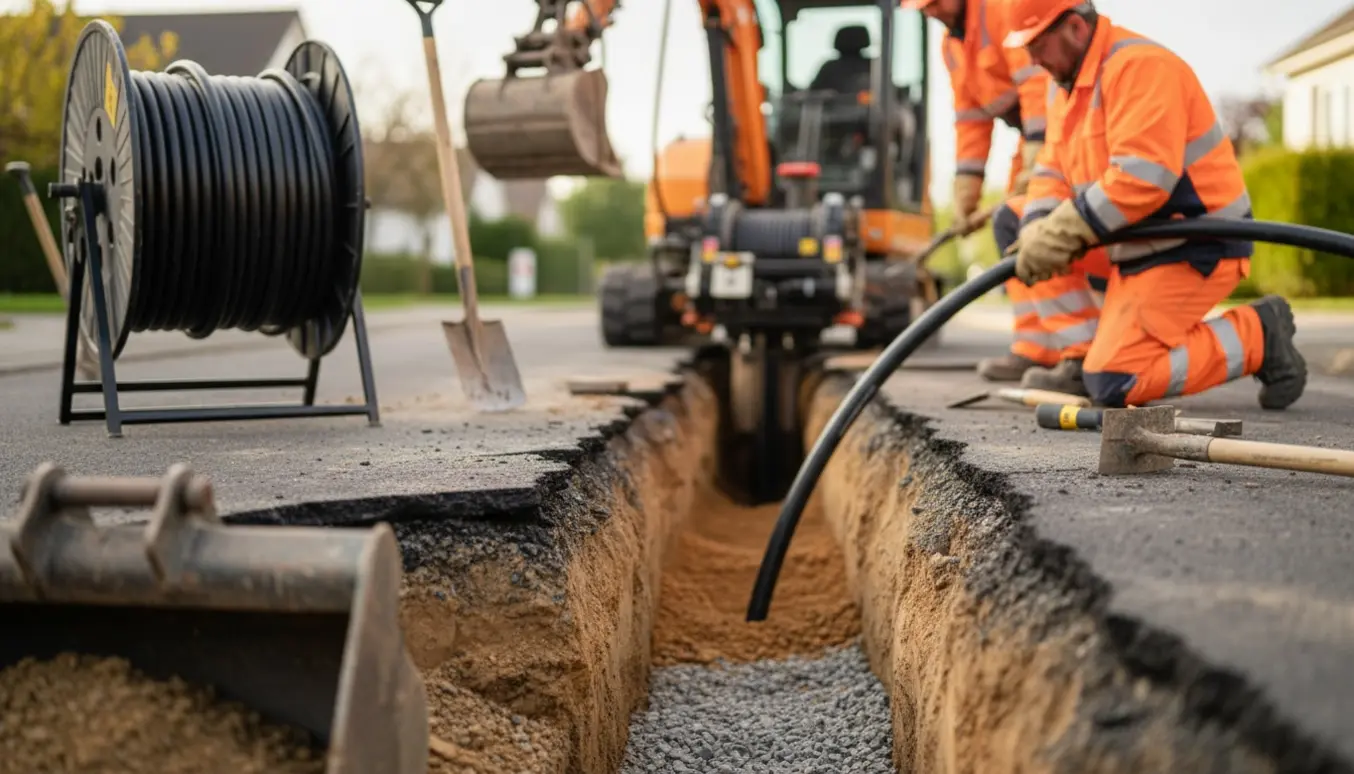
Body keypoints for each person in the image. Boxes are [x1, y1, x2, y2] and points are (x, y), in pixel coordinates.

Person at [1001, 0, 1306, 409]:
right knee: (1015, 220)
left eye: (1037, 46)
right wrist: (1036, 227)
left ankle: (1258, 335)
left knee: (1116, 380)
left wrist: (1059, 231)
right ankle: (1080, 360)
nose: (1033, 60)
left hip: (1192, 245)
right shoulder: (1064, 88)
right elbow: (1051, 171)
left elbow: (1143, 179)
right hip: (1130, 242)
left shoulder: (1140, 67)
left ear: (1075, 27)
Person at [903, 0, 1104, 384]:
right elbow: (970, 119)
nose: (932, 12)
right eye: (924, 8)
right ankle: (1036, 348)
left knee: (1026, 221)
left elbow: (1038, 86)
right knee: (1012, 224)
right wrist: (967, 193)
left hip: (1058, 128)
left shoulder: (1001, 11)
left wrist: (1036, 161)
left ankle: (1080, 350)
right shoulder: (952, 46)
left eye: (935, 2)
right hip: (1033, 137)